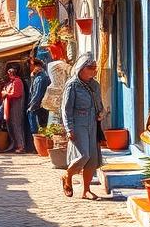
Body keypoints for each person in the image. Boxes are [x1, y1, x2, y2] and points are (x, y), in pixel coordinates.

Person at [60, 53, 107, 200]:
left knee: (92, 158)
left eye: (95, 68)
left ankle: (86, 190)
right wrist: (69, 128)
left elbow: (99, 104)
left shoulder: (95, 85)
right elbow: (66, 109)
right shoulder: (72, 85)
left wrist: (102, 112)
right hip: (78, 123)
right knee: (83, 155)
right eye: (91, 68)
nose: (94, 71)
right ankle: (67, 175)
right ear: (81, 68)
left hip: (92, 122)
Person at [1, 66, 26, 153]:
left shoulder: (17, 81)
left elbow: (16, 94)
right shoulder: (12, 82)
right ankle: (16, 144)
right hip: (12, 106)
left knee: (17, 125)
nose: (8, 75)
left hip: (17, 106)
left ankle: (21, 146)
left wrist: (6, 94)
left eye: (10, 74)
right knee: (14, 125)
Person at [26, 58, 51, 136]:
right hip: (40, 105)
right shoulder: (38, 76)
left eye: (31, 66)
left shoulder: (41, 78)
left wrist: (31, 107)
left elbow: (37, 94)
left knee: (38, 128)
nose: (30, 68)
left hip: (39, 105)